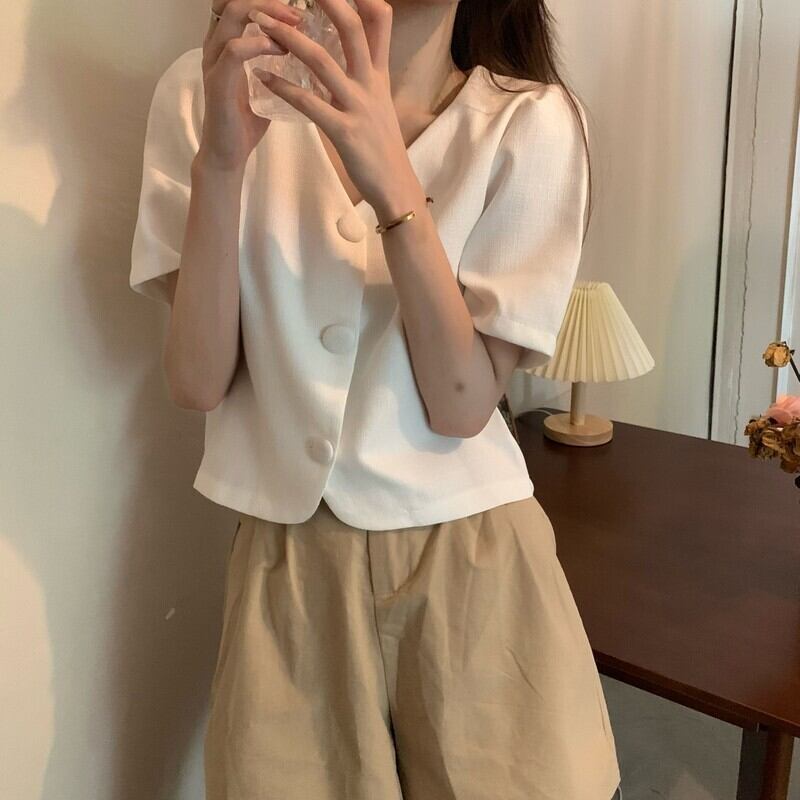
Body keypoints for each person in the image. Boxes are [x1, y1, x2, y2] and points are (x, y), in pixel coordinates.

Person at [129, 0, 623, 797]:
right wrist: (221, 165)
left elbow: (461, 404)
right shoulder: (210, 88)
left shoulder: (530, 121)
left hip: (474, 565)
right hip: (288, 567)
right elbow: (196, 381)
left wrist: (394, 184)